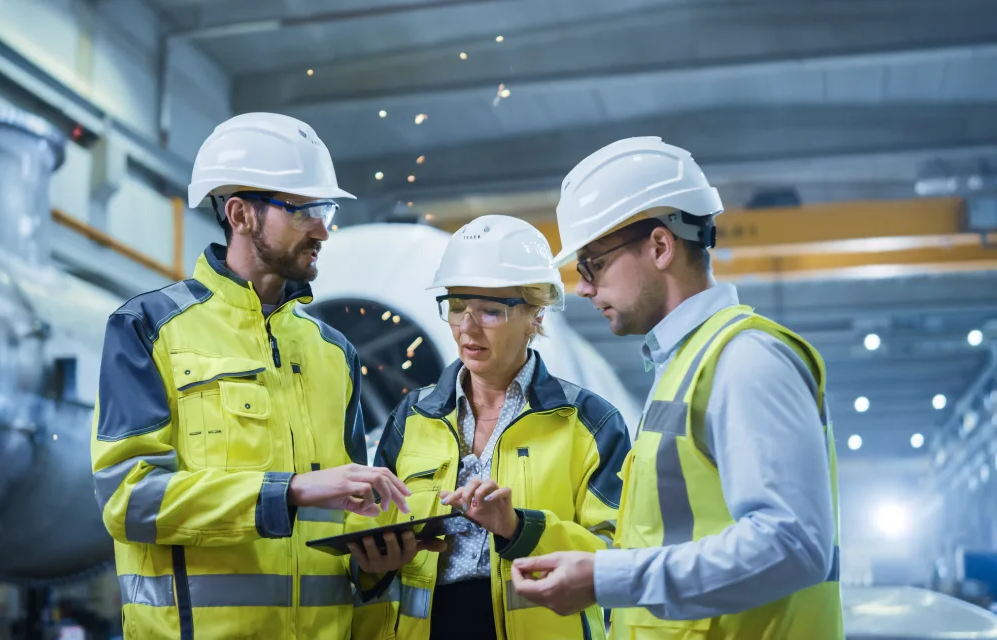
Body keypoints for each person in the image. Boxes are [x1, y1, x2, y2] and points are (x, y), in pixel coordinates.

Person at [89, 112, 432, 640]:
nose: (323, 228)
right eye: (305, 210)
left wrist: (374, 563)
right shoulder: (149, 329)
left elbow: (346, 519)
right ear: (240, 214)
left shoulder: (333, 353)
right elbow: (128, 500)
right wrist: (288, 491)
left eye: (327, 209)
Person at [510, 137, 843, 639]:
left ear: (661, 246)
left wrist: (608, 578)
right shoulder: (684, 366)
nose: (582, 287)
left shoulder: (744, 360)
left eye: (593, 264)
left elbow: (793, 544)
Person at [347, 215, 632, 640]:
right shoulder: (412, 417)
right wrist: (371, 565)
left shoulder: (589, 423)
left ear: (536, 315)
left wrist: (520, 528)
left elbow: (618, 560)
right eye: (457, 307)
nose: (467, 328)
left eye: (490, 311)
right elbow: (365, 537)